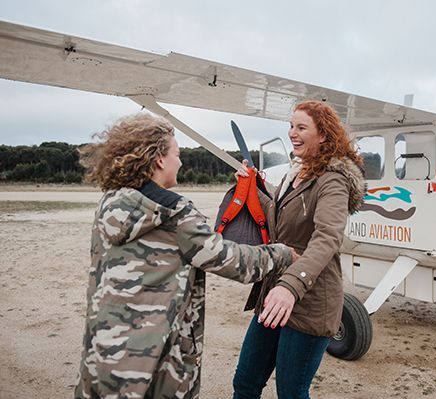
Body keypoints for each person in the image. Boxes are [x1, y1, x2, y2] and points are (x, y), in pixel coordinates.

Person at [74, 113, 297, 398]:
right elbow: (233, 262)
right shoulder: (176, 213)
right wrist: (282, 254)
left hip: (103, 356)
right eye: (176, 154)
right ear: (159, 160)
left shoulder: (110, 202)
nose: (180, 162)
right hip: (153, 366)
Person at [232, 101, 366, 398]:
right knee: (245, 382)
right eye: (291, 126)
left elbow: (328, 237)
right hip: (274, 294)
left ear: (323, 135)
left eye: (301, 127)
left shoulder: (333, 180)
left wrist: (291, 287)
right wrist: (252, 188)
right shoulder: (297, 172)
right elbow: (279, 217)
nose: (292, 133)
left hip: (309, 300)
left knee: (292, 392)